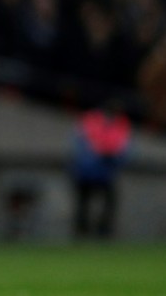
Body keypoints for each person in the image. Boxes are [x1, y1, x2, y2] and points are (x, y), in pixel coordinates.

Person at [70, 100, 132, 239]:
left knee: (108, 202)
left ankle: (102, 231)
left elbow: (122, 147)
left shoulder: (119, 122)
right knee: (84, 203)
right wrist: (106, 152)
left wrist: (112, 155)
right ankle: (82, 232)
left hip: (104, 172)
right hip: (87, 170)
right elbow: (86, 144)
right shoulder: (91, 119)